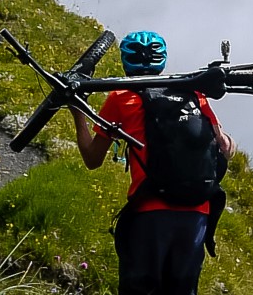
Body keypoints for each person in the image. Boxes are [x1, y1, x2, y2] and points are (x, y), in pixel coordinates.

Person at [71, 30, 236, 295]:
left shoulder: (121, 97)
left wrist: (78, 110)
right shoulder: (194, 93)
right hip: (197, 214)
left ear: (126, 60)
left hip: (150, 211)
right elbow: (225, 147)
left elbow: (92, 159)